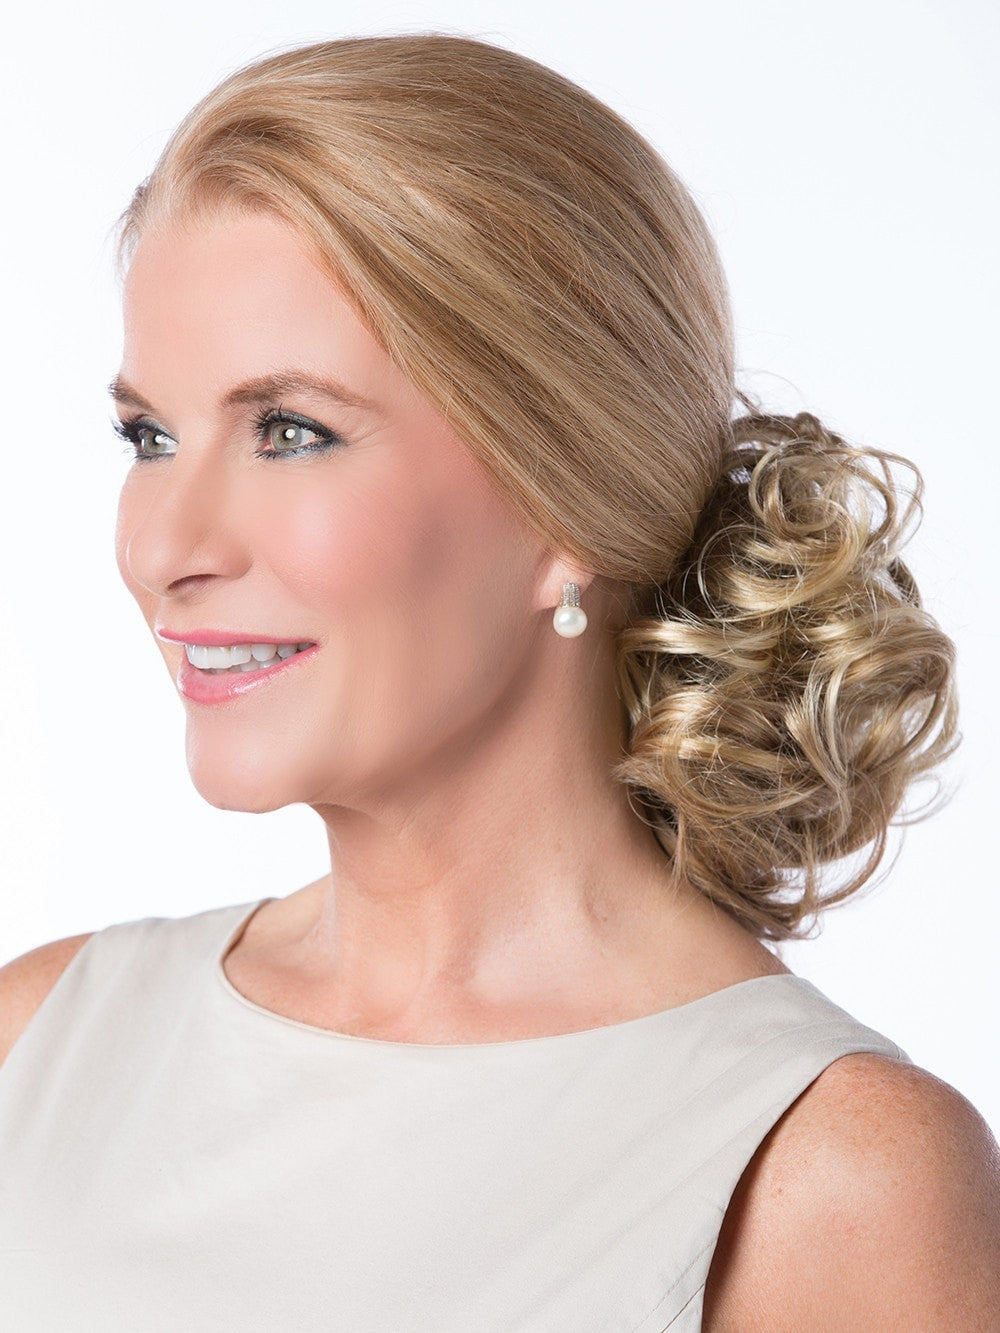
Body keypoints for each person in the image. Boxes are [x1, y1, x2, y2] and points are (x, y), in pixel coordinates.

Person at [0, 31, 997, 1330]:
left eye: (289, 432)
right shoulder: (41, 1044)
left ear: (559, 501)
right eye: (150, 436)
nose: (162, 548)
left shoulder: (826, 1177)